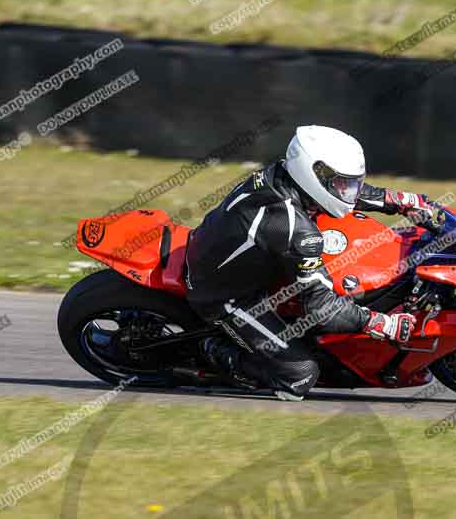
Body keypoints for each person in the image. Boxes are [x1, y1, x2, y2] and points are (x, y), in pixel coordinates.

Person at [184, 125, 434, 400]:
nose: (349, 191)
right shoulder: (295, 230)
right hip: (225, 294)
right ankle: (213, 352)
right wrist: (381, 324)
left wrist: (399, 201)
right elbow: (321, 308)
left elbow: (342, 194)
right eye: (343, 183)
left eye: (351, 183)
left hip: (225, 247)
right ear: (311, 172)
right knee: (300, 375)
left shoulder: (284, 173)